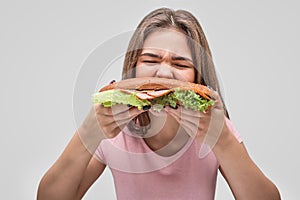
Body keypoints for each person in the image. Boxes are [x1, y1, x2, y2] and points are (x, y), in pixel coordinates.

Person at [37, 8, 281, 200]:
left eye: (181, 64)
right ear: (133, 68)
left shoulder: (214, 127)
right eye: (151, 59)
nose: (164, 73)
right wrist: (87, 135)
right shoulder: (113, 128)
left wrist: (223, 141)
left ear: (198, 77)